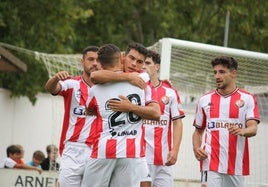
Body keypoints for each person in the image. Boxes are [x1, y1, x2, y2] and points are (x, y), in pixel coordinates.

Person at [81, 44, 160, 187]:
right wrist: (128, 77)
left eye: (140, 62)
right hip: (129, 152)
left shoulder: (96, 89)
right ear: (123, 58)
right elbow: (95, 75)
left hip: (106, 151)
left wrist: (130, 107)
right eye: (132, 58)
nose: (135, 64)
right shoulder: (144, 81)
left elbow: (89, 109)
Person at [192, 56, 260, 187]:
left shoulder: (247, 98)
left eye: (222, 72)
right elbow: (198, 132)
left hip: (236, 164)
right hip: (210, 161)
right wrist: (196, 148)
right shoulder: (205, 99)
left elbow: (253, 128)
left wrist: (242, 131)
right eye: (215, 72)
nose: (217, 76)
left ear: (233, 73)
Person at [44, 46, 101, 186]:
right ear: (82, 62)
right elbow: (51, 88)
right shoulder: (73, 84)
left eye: (98, 60)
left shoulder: (107, 88)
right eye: (90, 59)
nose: (94, 63)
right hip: (73, 148)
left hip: (97, 149)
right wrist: (56, 78)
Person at [142, 49, 185, 187]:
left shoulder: (170, 92)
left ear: (157, 66)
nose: (144, 66)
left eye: (148, 63)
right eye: (142, 63)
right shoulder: (136, 90)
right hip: (141, 158)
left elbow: (177, 122)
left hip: (164, 158)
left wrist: (175, 150)